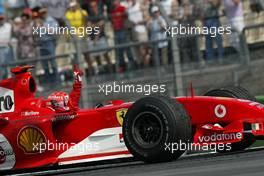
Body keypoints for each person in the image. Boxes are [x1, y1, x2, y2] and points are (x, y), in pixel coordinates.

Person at [86, 0, 113, 74]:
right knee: (96, 56)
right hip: (92, 37)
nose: (93, 8)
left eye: (94, 6)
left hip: (100, 37)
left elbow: (101, 26)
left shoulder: (101, 14)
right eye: (92, 6)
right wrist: (97, 25)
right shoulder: (89, 15)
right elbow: (89, 25)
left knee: (106, 54)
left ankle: (111, 70)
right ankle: (101, 71)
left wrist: (96, 38)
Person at [111, 0, 134, 73]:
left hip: (123, 30)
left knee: (127, 48)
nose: (114, 2)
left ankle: (132, 65)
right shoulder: (112, 10)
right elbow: (112, 21)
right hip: (116, 31)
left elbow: (126, 16)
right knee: (119, 50)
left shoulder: (122, 8)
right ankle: (122, 67)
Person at [37, 7, 59, 83]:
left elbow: (54, 32)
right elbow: (36, 33)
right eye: (41, 13)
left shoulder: (52, 21)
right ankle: (48, 81)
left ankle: (56, 80)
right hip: (41, 43)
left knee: (53, 61)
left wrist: (44, 27)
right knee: (44, 63)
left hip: (50, 41)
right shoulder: (38, 22)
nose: (43, 14)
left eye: (44, 12)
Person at [127, 0, 151, 67]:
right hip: (132, 33)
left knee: (144, 51)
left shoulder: (140, 6)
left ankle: (147, 68)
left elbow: (147, 18)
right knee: (137, 54)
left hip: (141, 31)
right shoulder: (129, 8)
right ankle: (142, 68)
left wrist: (138, 22)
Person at [0, 13, 12, 79]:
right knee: (2, 68)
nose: (1, 20)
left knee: (11, 65)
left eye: (2, 18)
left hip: (8, 48)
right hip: (0, 49)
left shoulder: (9, 26)